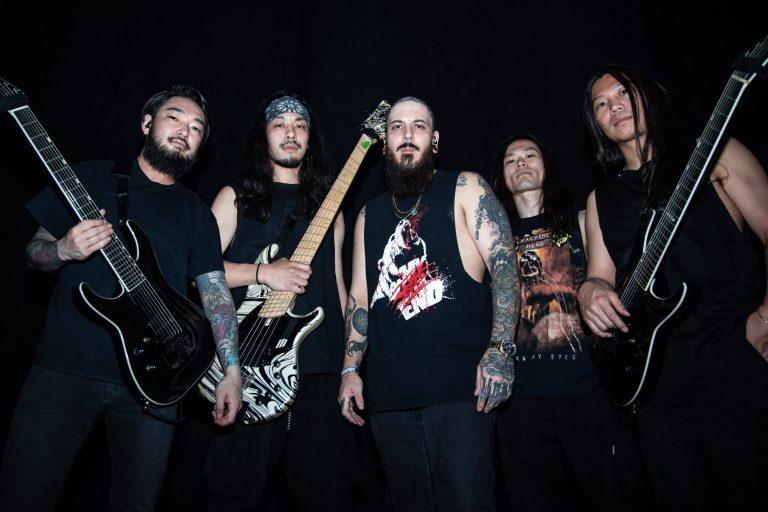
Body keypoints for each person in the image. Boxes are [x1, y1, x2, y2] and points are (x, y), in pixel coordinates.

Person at [0, 84, 242, 511]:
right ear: (147, 123)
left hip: (157, 383)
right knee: (25, 497)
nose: (185, 130)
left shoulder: (197, 216)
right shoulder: (88, 178)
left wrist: (232, 371)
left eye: (196, 127)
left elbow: (216, 297)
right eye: (174, 117)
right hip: (65, 370)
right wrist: (63, 250)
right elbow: (34, 253)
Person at [579, 63, 768, 511]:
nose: (613, 106)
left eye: (623, 92)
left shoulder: (716, 154)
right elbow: (599, 275)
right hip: (655, 386)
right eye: (601, 104)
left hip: (732, 360)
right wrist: (589, 293)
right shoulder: (600, 199)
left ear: (650, 95)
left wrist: (765, 318)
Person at [337, 96, 518, 512]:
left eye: (418, 126)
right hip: (388, 400)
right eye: (396, 127)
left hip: (460, 391)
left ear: (434, 140)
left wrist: (501, 349)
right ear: (385, 142)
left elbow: (506, 267)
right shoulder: (367, 215)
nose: (407, 135)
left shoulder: (466, 187)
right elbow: (359, 299)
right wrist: (349, 370)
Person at [203, 90, 356, 511]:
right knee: (233, 494)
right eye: (279, 124)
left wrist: (350, 366)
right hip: (250, 368)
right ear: (264, 136)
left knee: (331, 495)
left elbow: (339, 291)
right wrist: (263, 273)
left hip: (321, 372)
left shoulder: (330, 209)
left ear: (310, 138)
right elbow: (198, 272)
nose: (291, 132)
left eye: (299, 125)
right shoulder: (235, 197)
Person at [490, 132, 654, 511]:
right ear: (502, 176)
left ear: (546, 166)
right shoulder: (492, 241)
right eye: (511, 160)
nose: (520, 163)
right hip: (522, 400)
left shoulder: (578, 222)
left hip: (590, 391)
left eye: (530, 154)